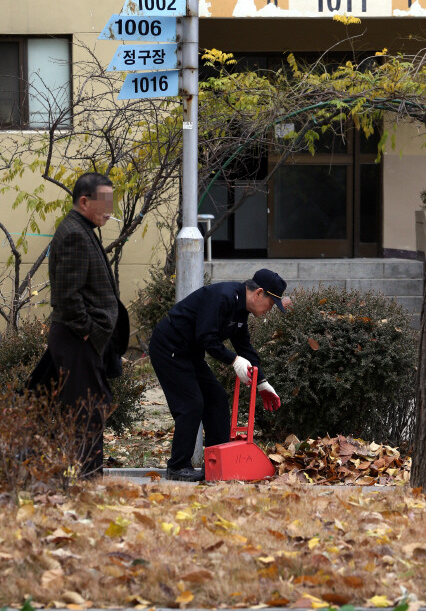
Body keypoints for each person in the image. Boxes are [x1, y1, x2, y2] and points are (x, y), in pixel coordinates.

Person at [149, 268, 291, 481]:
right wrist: (234, 360)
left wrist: (261, 382)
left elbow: (243, 345)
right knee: (191, 404)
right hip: (169, 348)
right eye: (271, 304)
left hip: (190, 353)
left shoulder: (241, 309)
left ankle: (216, 465)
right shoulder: (222, 296)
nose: (269, 310)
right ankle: (178, 466)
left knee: (216, 399)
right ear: (258, 293)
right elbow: (206, 337)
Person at [46, 172, 129, 477]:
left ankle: (88, 478)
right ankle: (86, 482)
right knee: (86, 413)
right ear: (84, 201)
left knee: (91, 409)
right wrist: (88, 332)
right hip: (76, 339)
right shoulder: (73, 234)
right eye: (105, 202)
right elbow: (67, 296)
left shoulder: (83, 229)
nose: (110, 209)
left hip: (81, 340)